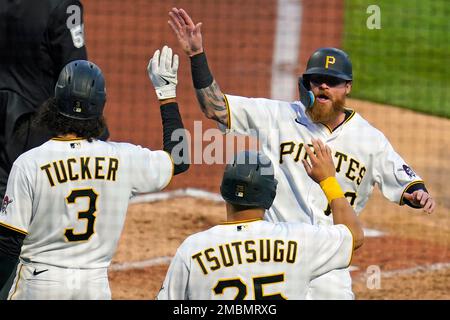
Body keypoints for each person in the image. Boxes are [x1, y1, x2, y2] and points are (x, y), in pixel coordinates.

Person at [168, 7, 435, 299]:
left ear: (347, 87)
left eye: (332, 81)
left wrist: (415, 192)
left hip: (329, 264)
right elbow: (214, 107)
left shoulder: (370, 139)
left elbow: (405, 180)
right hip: (277, 257)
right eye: (316, 78)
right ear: (305, 83)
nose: (323, 85)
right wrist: (196, 56)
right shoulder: (277, 116)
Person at [0, 46, 189, 299]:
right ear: (100, 106)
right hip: (94, 286)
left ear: (55, 102)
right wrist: (166, 94)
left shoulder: (29, 163)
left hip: (40, 283)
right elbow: (180, 159)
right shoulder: (124, 158)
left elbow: (9, 242)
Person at [157, 141, 364, 300]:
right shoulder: (301, 240)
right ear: (270, 195)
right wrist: (328, 181)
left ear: (223, 191)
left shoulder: (193, 248)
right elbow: (354, 236)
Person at [0, 0, 96, 299]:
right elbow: (76, 71)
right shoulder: (64, 5)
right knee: (29, 221)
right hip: (33, 128)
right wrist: (96, 132)